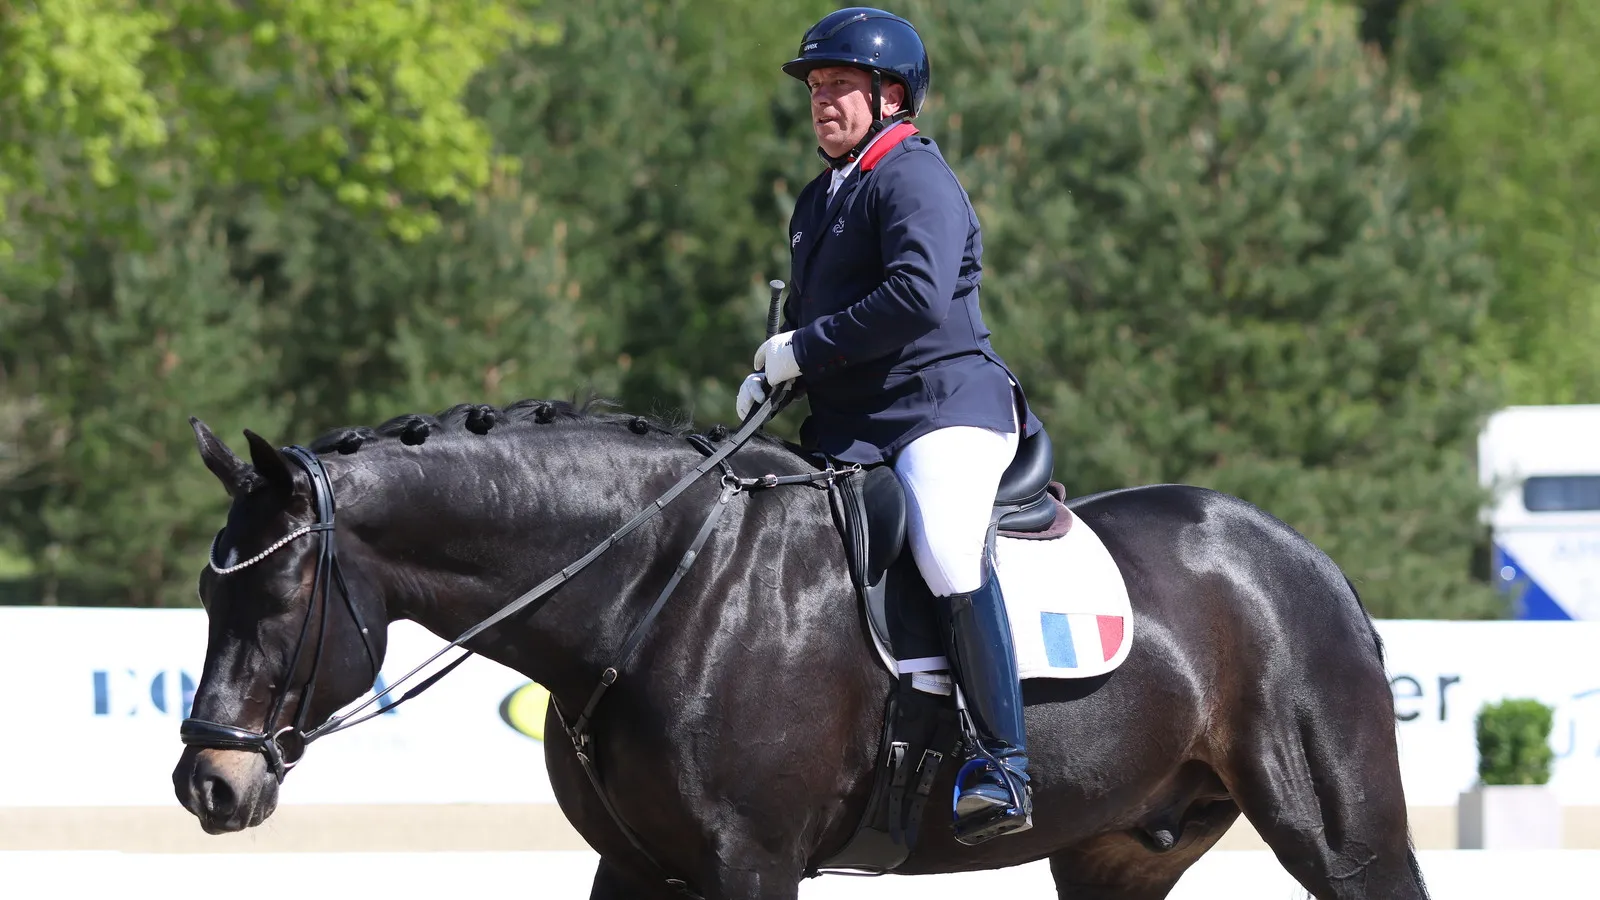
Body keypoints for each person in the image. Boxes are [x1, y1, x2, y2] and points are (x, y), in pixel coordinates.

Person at [734, 7, 1045, 845]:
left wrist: (801, 347)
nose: (822, 101)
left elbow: (913, 298)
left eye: (840, 85)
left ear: (892, 96)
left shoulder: (911, 176)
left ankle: (1003, 763)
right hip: (858, 421)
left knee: (944, 542)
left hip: (941, 406)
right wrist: (774, 382)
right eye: (816, 88)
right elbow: (823, 328)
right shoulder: (819, 198)